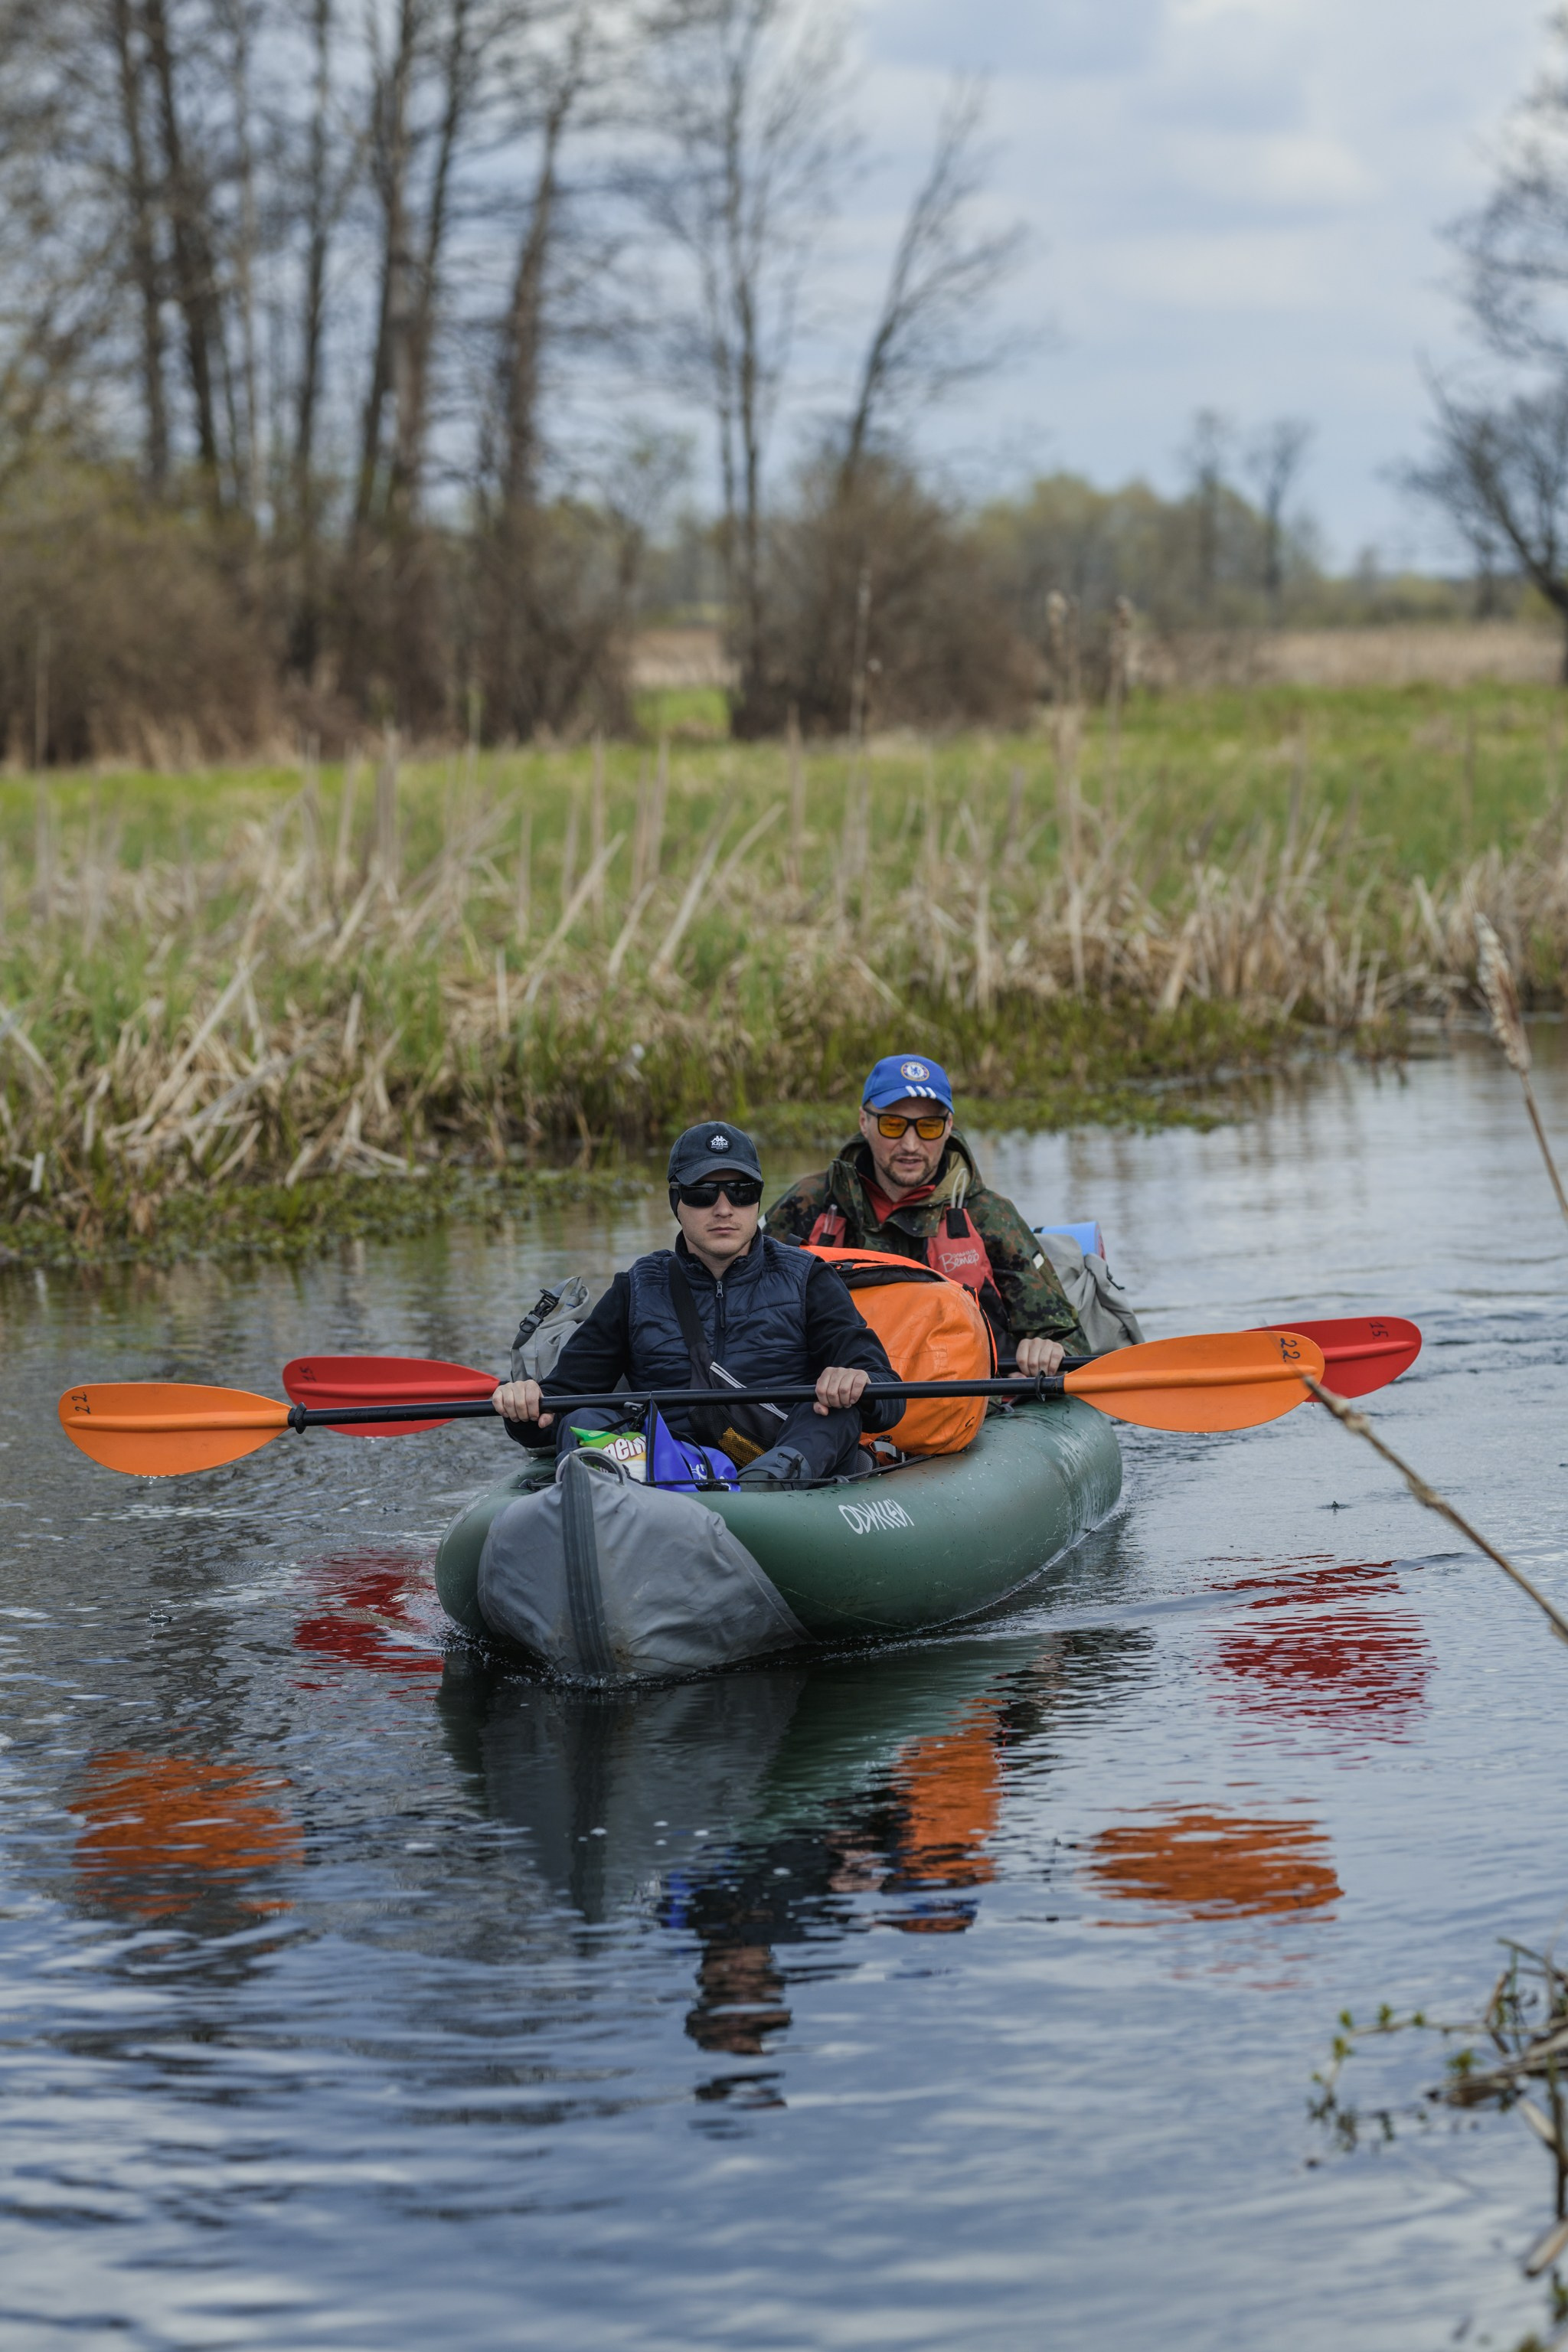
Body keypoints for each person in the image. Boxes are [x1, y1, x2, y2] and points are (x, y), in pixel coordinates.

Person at [491, 1119, 902, 1486]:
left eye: (741, 1191)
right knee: (584, 1417)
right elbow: (561, 1406)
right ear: (677, 1203)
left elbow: (889, 1399)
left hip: (783, 1469)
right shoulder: (636, 1287)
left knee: (835, 1411)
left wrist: (858, 1384)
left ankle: (760, 1490)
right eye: (703, 1193)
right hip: (667, 1475)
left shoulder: (809, 1278)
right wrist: (526, 1409)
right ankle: (610, 1493)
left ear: (758, 1200)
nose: (724, 1208)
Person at [763, 1054, 1086, 1374]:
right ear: (864, 1122)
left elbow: (1068, 1340)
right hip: (834, 1398)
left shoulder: (990, 1215)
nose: (911, 1145)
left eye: (928, 1127)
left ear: (948, 1128)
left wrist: (1046, 1348)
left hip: (967, 1405)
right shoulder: (808, 1203)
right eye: (893, 1125)